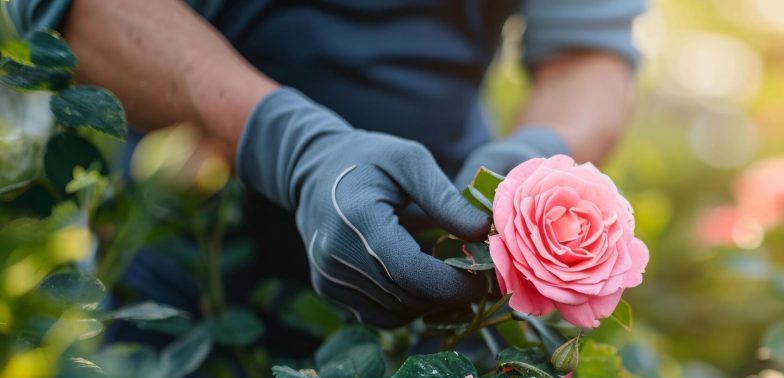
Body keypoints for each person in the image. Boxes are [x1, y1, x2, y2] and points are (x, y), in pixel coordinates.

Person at [5, 0, 643, 328]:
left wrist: (528, 164)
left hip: (443, 289)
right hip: (190, 289)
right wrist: (293, 147)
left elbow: (589, 57)